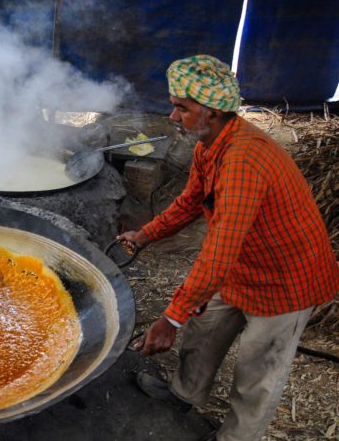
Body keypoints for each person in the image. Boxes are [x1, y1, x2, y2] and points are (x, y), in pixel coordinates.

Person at [119, 55, 339, 441]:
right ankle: (183, 396)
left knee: (258, 371)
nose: (173, 117)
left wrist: (170, 319)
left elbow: (217, 253)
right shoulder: (210, 143)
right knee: (203, 330)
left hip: (287, 280)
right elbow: (191, 202)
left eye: (181, 109)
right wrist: (146, 234)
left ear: (213, 112)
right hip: (244, 264)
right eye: (174, 106)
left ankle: (235, 437)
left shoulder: (243, 160)